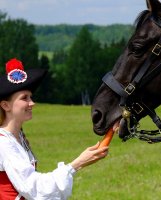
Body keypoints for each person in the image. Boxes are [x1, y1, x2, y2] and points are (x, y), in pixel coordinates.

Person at [0, 58, 109, 200]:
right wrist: (76, 164)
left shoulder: (18, 137)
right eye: (24, 98)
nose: (32, 103)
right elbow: (34, 188)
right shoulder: (4, 144)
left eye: (31, 97)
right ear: (6, 106)